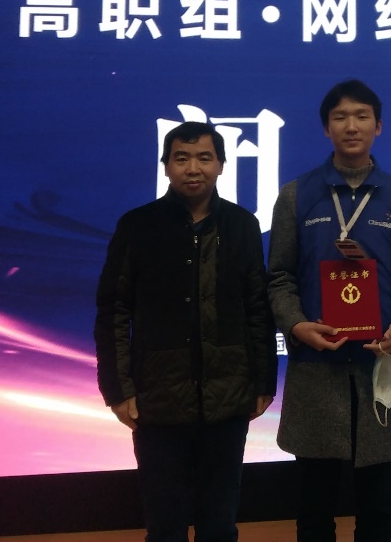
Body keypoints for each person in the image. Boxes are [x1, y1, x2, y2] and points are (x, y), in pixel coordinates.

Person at [268, 79, 391, 542]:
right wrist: (296, 325)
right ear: (326, 128)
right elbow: (278, 277)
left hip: (379, 365)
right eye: (340, 117)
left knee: (378, 507)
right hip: (316, 368)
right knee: (314, 507)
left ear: (378, 126)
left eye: (362, 116)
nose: (351, 126)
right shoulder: (296, 195)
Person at [95, 121, 277, 542]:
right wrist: (118, 389)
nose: (193, 168)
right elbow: (113, 310)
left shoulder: (242, 225)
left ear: (221, 165)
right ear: (166, 166)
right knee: (165, 525)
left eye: (204, 158)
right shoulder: (137, 226)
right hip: (158, 399)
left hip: (227, 397)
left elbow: (257, 308)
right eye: (181, 158)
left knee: (219, 523)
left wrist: (263, 381)